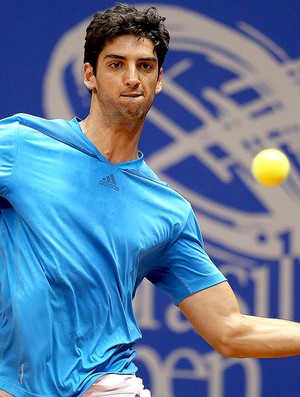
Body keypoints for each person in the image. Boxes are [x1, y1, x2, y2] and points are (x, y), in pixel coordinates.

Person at [0, 3, 300, 397]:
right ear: (90, 74)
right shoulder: (22, 144)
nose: (131, 78)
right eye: (115, 64)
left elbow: (230, 330)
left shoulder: (169, 212)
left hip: (107, 384)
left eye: (145, 66)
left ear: (159, 80)